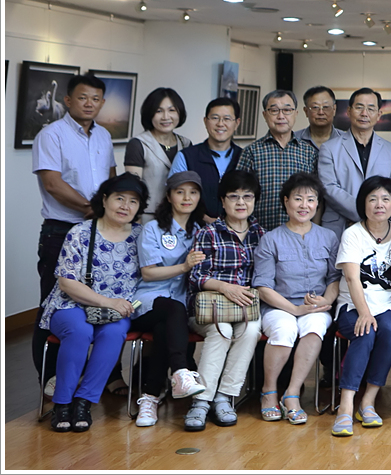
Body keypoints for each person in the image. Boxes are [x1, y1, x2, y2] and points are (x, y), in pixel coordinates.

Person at [39, 174, 147, 433]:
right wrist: (109, 301)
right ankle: (62, 403)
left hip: (116, 312)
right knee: (80, 331)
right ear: (105, 199)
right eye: (119, 198)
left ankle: (84, 402)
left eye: (133, 201)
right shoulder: (81, 232)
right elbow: (66, 283)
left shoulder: (141, 236)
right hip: (71, 304)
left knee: (114, 333)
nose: (125, 206)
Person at [31, 73, 117, 387]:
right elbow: (53, 184)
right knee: (52, 306)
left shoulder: (104, 136)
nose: (89, 104)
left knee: (103, 299)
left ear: (102, 103)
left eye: (95, 99)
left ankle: (103, 376)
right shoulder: (51, 135)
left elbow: (112, 179)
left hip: (99, 233)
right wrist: (92, 207)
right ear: (68, 100)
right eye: (82, 98)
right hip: (61, 231)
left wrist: (108, 211)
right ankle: (50, 378)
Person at [253, 172, 340, 426]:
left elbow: (335, 277)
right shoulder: (270, 239)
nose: (304, 205)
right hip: (279, 306)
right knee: (285, 328)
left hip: (315, 308)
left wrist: (325, 300)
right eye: (298, 199)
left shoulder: (328, 237)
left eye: (311, 200)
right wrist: (294, 309)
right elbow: (263, 287)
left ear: (318, 204)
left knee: (315, 327)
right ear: (286, 201)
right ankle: (269, 391)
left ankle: (291, 394)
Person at [188, 169, 266, 430]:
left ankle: (224, 397)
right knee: (222, 330)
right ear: (222, 201)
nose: (241, 202)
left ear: (255, 200)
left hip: (246, 310)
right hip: (209, 309)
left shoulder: (262, 235)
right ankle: (201, 401)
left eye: (247, 196)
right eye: (234, 196)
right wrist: (225, 287)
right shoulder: (208, 233)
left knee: (252, 329)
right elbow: (196, 276)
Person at [131, 172, 210, 428]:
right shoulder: (153, 229)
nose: (187, 198)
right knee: (172, 310)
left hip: (179, 308)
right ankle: (181, 371)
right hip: (145, 302)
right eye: (180, 192)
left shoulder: (200, 232)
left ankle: (150, 397)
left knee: (165, 327)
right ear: (168, 196)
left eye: (193, 192)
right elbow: (148, 273)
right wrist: (184, 267)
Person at [331, 176, 391, 437]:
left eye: (385, 199)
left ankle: (368, 401)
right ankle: (345, 406)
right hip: (353, 304)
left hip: (390, 304)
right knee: (365, 331)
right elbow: (352, 278)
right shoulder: (352, 234)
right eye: (372, 199)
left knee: (389, 330)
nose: (379, 204)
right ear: (363, 204)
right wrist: (364, 312)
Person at [318, 87, 391, 235]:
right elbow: (328, 187)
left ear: (379, 114)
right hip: (339, 227)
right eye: (359, 107)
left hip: (380, 227)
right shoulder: (329, 148)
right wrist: (362, 213)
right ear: (349, 111)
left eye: (371, 109)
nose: (364, 113)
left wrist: (371, 216)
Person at [236, 89, 318, 231]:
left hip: (301, 232)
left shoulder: (309, 152)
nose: (281, 116)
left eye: (287, 110)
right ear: (265, 115)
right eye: (274, 110)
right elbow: (239, 192)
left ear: (296, 113)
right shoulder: (251, 152)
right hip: (260, 231)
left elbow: (318, 195)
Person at [171, 97, 244, 221]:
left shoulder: (245, 157)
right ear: (205, 121)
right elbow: (176, 196)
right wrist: (205, 219)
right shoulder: (186, 157)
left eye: (227, 119)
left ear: (237, 123)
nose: (220, 124)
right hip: (193, 227)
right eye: (215, 118)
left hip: (236, 228)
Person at [124, 87, 192, 216]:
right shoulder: (138, 144)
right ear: (149, 114)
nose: (166, 117)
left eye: (171, 110)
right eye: (158, 111)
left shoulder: (186, 143)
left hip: (179, 216)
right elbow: (132, 188)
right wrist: (136, 220)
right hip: (147, 216)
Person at [293, 85, 348, 151]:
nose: (321, 112)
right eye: (315, 107)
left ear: (334, 110)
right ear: (306, 111)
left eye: (326, 107)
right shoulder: (294, 139)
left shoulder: (346, 140)